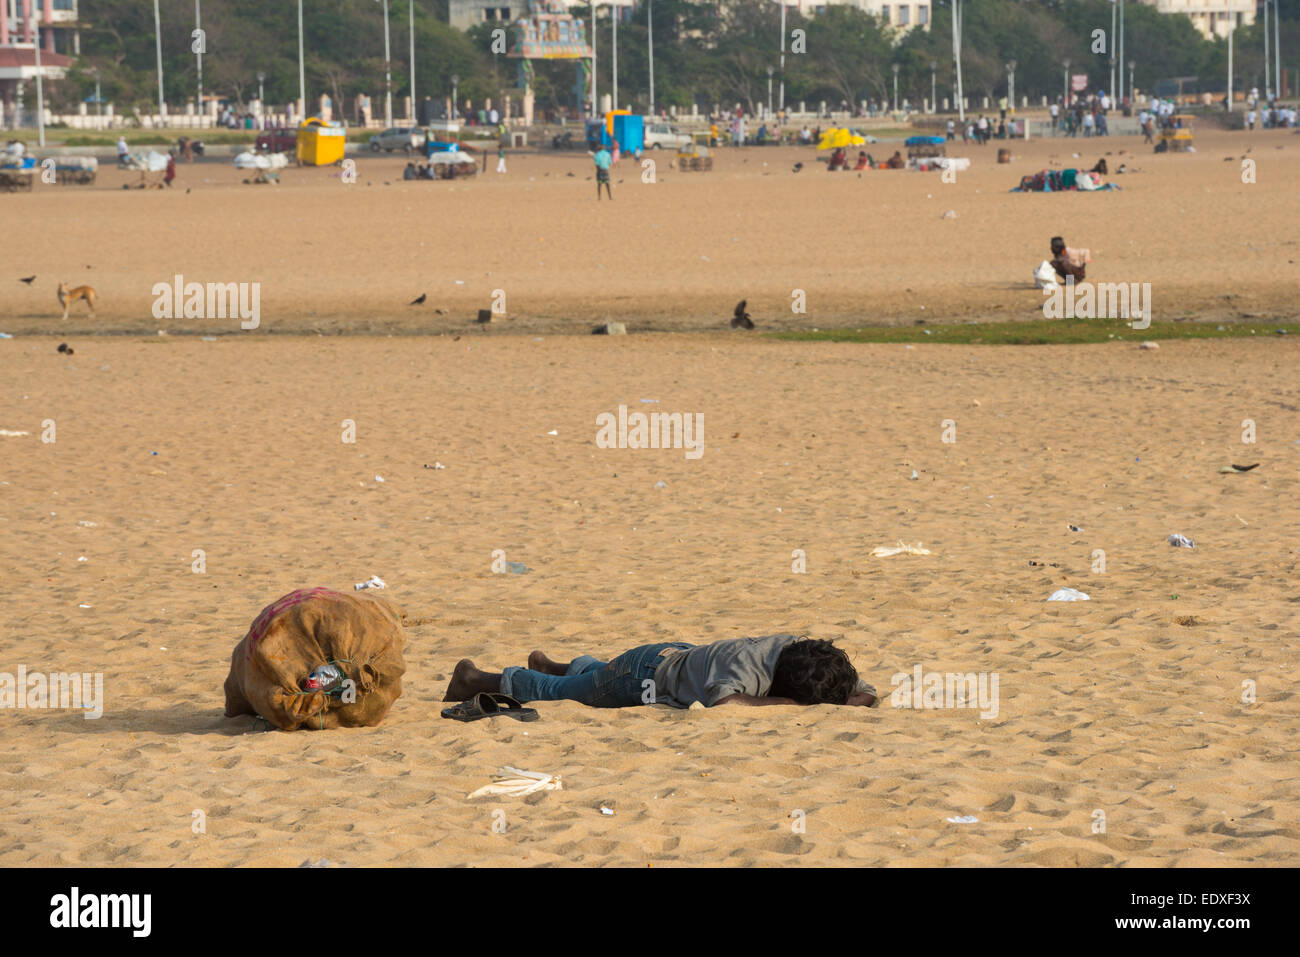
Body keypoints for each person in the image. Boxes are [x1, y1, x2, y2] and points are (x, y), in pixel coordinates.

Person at [442, 635, 878, 710]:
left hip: (678, 656)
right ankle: (475, 678)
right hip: (645, 675)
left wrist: (845, 698)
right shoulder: (744, 670)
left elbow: (866, 692)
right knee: (567, 695)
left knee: (586, 679)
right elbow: (727, 704)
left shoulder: (813, 656)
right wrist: (789, 704)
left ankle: (554, 665)